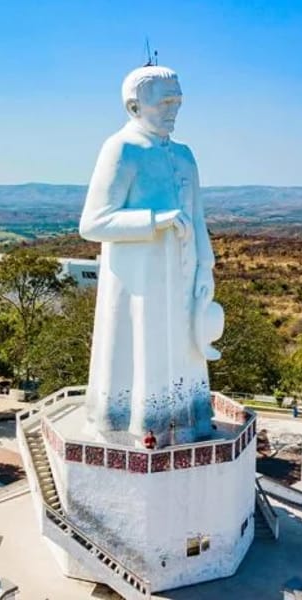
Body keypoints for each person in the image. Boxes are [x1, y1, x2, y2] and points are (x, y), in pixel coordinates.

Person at [80, 65, 220, 445]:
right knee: (143, 354)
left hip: (184, 277)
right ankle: (141, 427)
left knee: (185, 354)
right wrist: (155, 220)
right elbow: (92, 223)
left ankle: (189, 422)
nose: (174, 110)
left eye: (178, 101)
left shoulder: (185, 154)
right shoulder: (121, 148)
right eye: (165, 102)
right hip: (139, 284)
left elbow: (198, 215)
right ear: (134, 106)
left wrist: (206, 267)